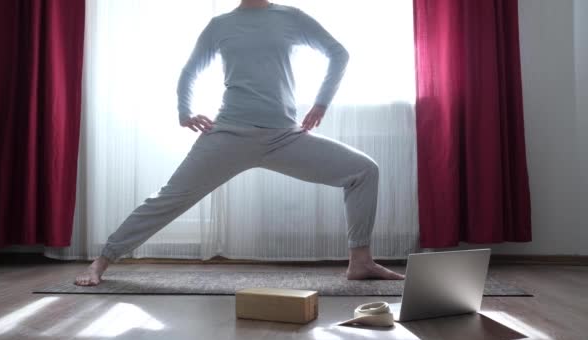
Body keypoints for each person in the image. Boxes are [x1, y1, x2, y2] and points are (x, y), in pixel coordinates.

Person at [75, 0, 405, 286]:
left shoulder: (291, 17)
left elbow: (338, 53)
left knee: (363, 171)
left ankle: (360, 261)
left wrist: (321, 102)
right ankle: (102, 261)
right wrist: (184, 111)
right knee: (168, 199)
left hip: (284, 137)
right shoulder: (220, 26)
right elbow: (190, 71)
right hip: (229, 135)